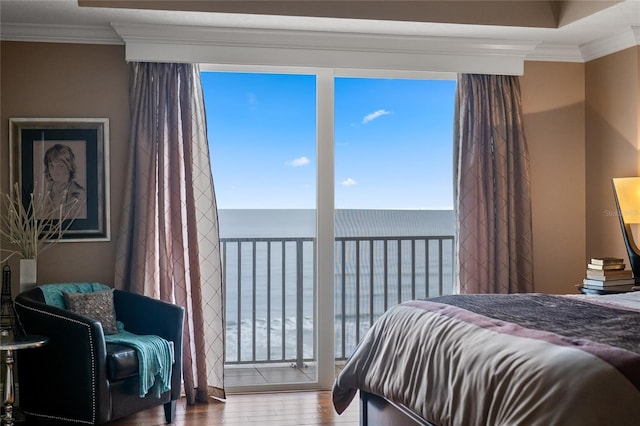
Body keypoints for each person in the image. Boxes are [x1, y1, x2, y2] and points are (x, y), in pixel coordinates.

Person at [43, 144, 87, 219]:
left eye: (60, 166)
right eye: (51, 166)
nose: (54, 170)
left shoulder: (78, 194)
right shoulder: (47, 190)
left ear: (69, 168)